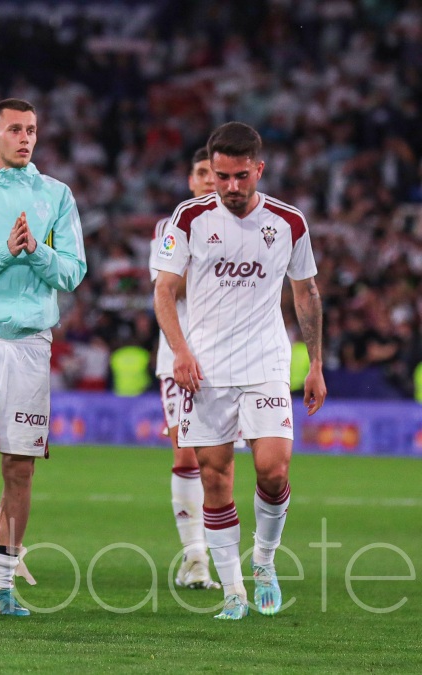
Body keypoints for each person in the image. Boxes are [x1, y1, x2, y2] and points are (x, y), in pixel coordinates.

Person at [152, 122, 326, 620]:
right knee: (215, 476)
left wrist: (315, 364)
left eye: (241, 176)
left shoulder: (289, 222)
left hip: (266, 365)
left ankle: (265, 562)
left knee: (273, 470)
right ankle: (232, 590)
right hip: (204, 370)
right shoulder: (188, 219)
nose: (230, 186)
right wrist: (180, 352)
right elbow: (164, 291)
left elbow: (306, 293)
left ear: (259, 170)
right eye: (222, 176)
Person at [0, 98, 87, 617]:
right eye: (14, 129)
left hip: (32, 343)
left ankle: (5, 585)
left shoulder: (56, 195)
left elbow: (73, 272)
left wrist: (39, 252)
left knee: (21, 469)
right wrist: (10, 250)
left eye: (31, 130)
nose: (24, 138)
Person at [149, 147, 221, 591]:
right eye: (201, 173)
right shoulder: (171, 226)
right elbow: (169, 287)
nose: (210, 180)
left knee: (224, 461)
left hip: (235, 357)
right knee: (187, 454)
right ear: (191, 180)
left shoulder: (254, 225)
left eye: (217, 173)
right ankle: (196, 557)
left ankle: (227, 556)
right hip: (179, 355)